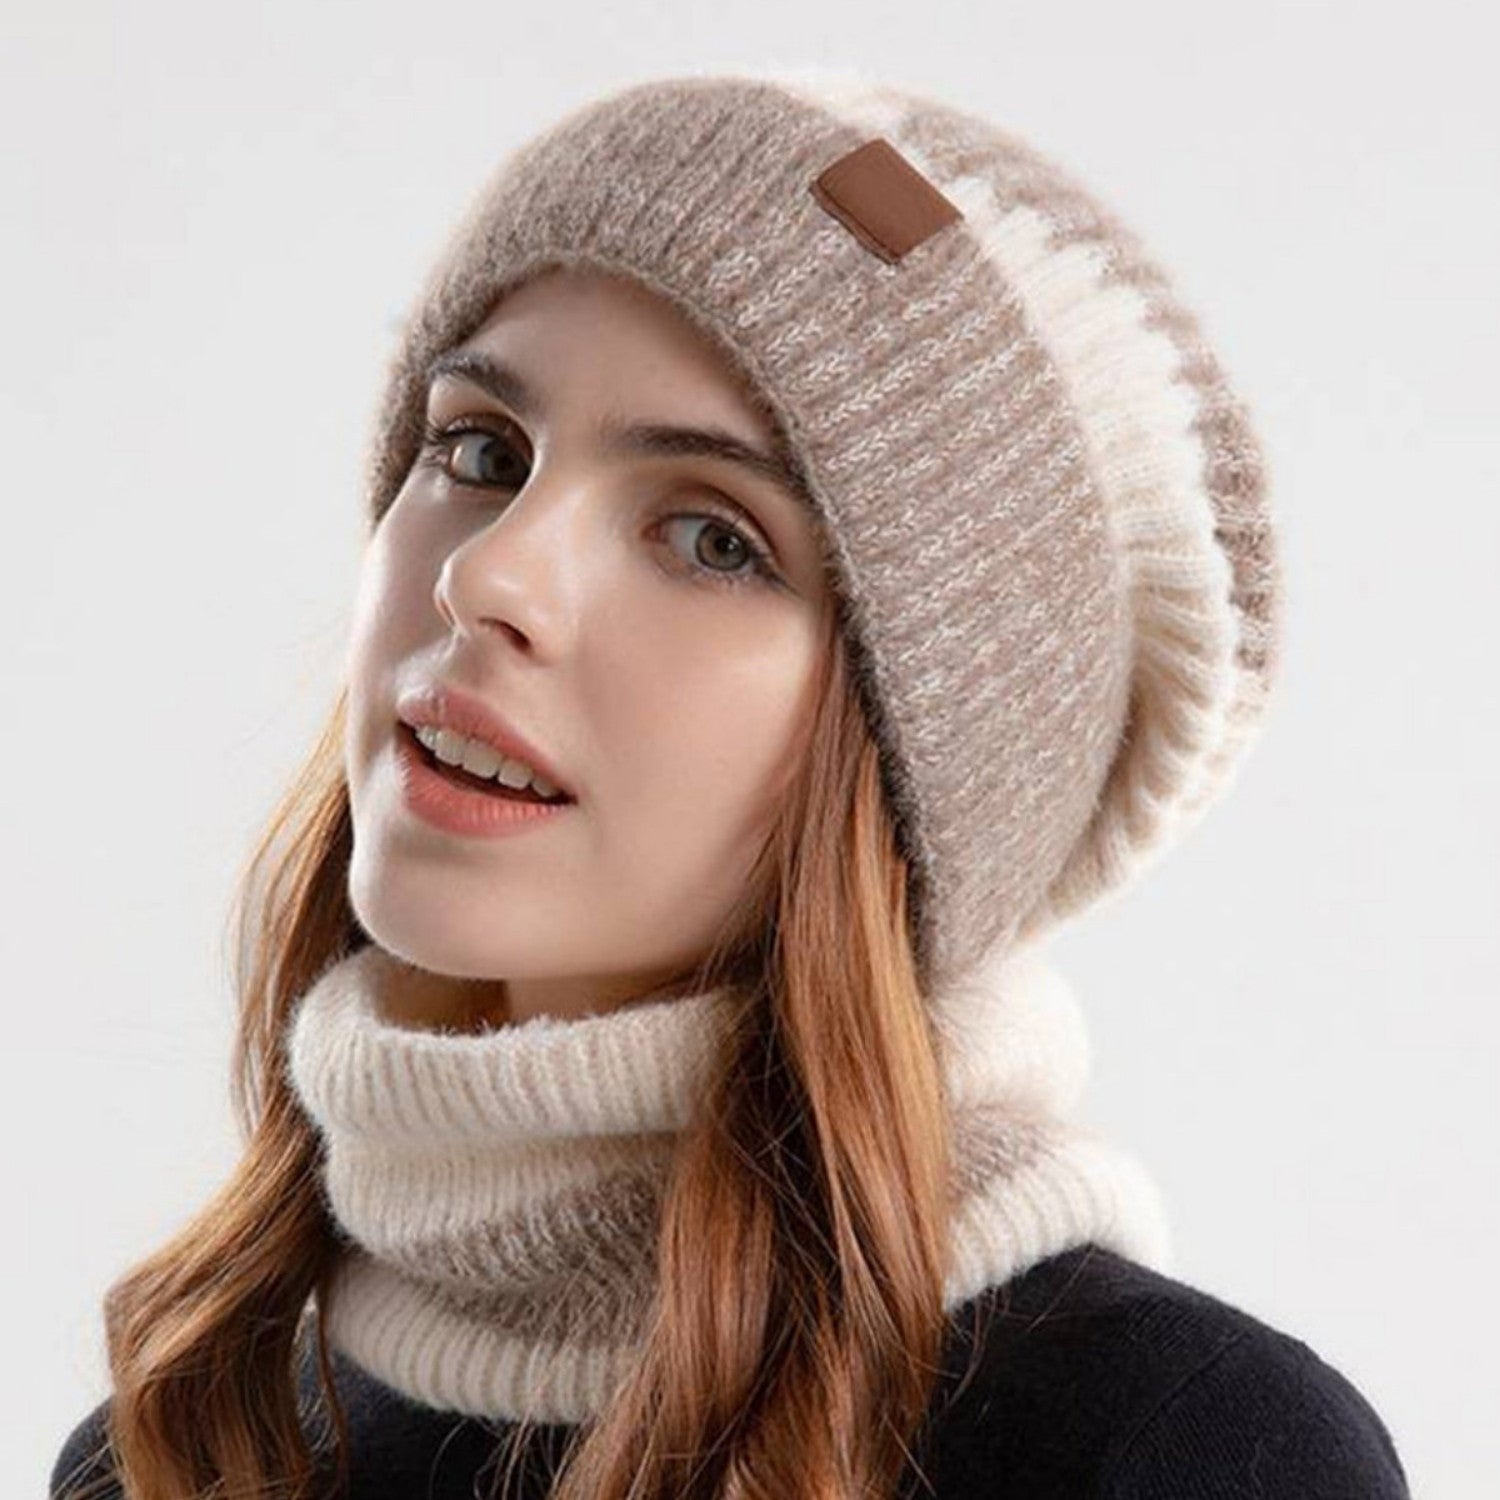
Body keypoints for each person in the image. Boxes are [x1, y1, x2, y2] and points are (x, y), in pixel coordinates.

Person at [49, 68, 1411, 1500]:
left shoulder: (1172, 1448)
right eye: (480, 450)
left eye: (713, 539)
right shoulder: (190, 1436)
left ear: (913, 772)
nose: (487, 574)